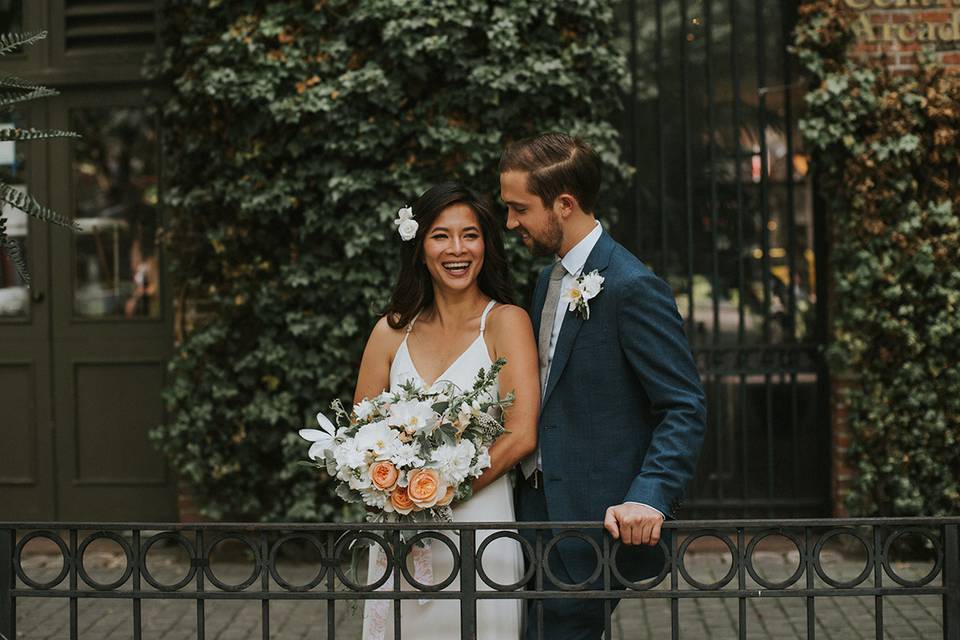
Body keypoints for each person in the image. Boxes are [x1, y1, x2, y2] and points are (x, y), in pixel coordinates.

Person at [501, 133, 707, 640]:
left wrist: (650, 497)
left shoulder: (632, 286)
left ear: (563, 205)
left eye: (519, 209)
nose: (509, 224)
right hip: (527, 513)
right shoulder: (547, 280)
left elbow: (683, 405)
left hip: (590, 525)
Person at [356, 182, 540, 640]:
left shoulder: (506, 322)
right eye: (441, 235)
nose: (456, 249)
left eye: (470, 235)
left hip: (480, 526)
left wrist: (438, 495)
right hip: (401, 534)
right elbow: (359, 433)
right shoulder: (390, 331)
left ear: (486, 244)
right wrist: (398, 490)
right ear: (420, 247)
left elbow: (521, 435)